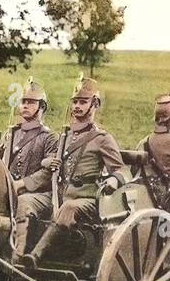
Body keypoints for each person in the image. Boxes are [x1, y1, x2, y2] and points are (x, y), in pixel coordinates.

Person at [20, 76, 123, 267]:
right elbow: (52, 164)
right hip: (60, 197)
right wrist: (46, 161)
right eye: (75, 102)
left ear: (95, 104)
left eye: (83, 102)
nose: (77, 106)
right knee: (26, 202)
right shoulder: (65, 136)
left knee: (68, 208)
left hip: (88, 201)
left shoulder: (102, 139)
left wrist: (113, 181)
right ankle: (16, 255)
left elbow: (120, 170)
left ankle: (34, 257)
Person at [0, 79, 58, 259]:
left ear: (42, 107)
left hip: (40, 194)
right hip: (10, 188)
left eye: (31, 102)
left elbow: (48, 172)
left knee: (22, 203)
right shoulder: (11, 133)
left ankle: (16, 257)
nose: (25, 106)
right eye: (23, 102)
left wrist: (20, 184)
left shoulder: (49, 137)